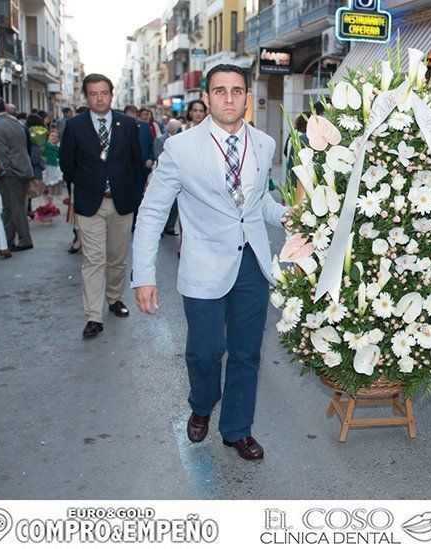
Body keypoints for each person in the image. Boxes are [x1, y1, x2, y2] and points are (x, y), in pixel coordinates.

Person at [132, 64, 290, 460]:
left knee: (246, 352)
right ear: (206, 98)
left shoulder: (265, 144)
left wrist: (289, 216)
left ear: (247, 97)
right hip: (203, 264)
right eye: (220, 91)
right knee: (204, 351)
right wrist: (144, 275)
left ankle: (237, 428)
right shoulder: (181, 148)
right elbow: (152, 212)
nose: (229, 98)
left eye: (237, 91)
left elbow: (259, 204)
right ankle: (202, 404)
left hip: (252, 262)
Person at [59, 73, 142, 338]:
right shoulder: (74, 126)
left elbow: (136, 162)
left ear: (111, 94)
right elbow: (67, 165)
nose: (99, 98)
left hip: (121, 203)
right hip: (89, 203)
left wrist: (130, 191)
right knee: (94, 260)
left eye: (104, 93)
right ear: (86, 96)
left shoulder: (128, 124)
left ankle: (115, 298)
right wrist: (87, 185)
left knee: (117, 258)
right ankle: (94, 316)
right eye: (93, 93)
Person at [0, 96, 35, 252]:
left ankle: (25, 240)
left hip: (11, 172)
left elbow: (1, 155)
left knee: (15, 207)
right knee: (9, 206)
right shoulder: (14, 121)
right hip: (22, 168)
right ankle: (5, 240)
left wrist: (3, 173)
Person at [123, 105, 155, 228]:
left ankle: (135, 222)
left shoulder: (144, 126)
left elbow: (151, 144)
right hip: (124, 168)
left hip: (141, 168)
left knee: (138, 195)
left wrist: (151, 159)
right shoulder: (119, 126)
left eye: (133, 113)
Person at [153, 118, 183, 236]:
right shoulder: (160, 140)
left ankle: (169, 227)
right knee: (163, 205)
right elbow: (159, 158)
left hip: (180, 177)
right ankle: (159, 229)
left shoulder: (182, 140)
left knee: (176, 205)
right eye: (178, 128)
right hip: (165, 178)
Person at [42, 129, 64, 197]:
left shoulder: (59, 148)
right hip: (46, 168)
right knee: (45, 189)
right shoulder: (45, 145)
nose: (54, 138)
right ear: (48, 137)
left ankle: (52, 204)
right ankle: (47, 204)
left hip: (55, 169)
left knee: (54, 190)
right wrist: (42, 157)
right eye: (52, 136)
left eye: (56, 136)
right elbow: (41, 154)